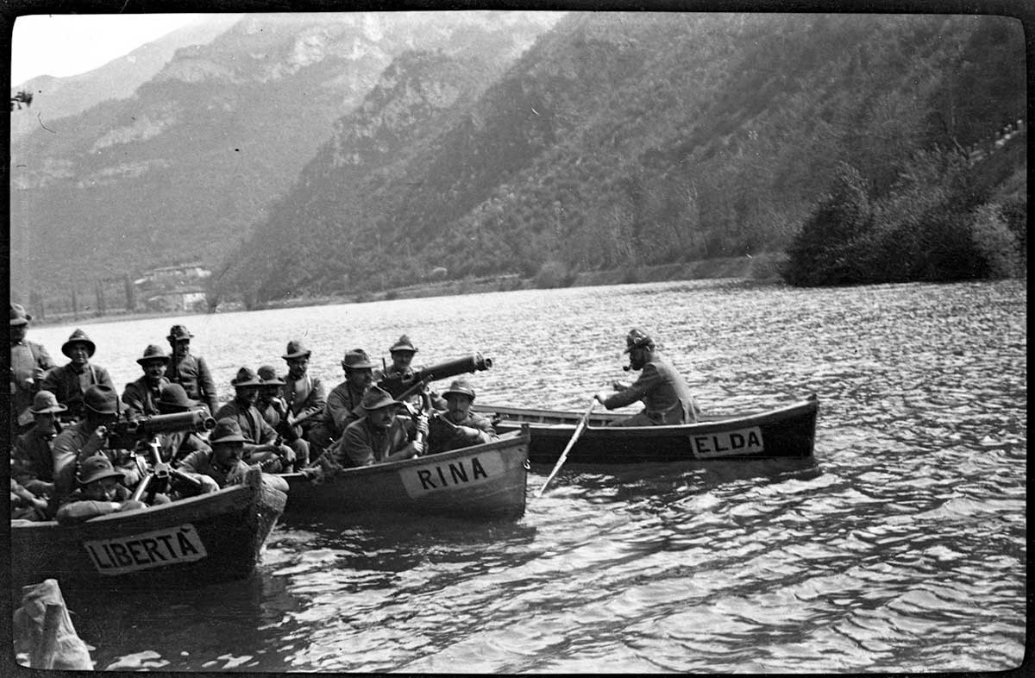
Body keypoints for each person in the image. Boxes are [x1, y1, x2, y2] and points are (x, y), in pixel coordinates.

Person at [50, 385, 142, 509]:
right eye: (111, 414)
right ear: (94, 416)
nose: (117, 417)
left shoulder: (113, 432)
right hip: (82, 502)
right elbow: (62, 483)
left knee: (160, 500)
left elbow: (133, 468)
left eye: (118, 413)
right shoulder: (68, 439)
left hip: (114, 494)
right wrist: (88, 449)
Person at [594, 328, 700, 426]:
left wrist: (605, 401)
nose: (631, 358)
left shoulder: (654, 368)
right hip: (683, 418)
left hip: (669, 421)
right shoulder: (661, 362)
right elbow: (650, 395)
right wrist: (627, 387)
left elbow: (630, 396)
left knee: (612, 428)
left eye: (634, 353)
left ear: (646, 350)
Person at [214, 367, 300, 472]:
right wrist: (266, 447)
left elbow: (270, 434)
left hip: (251, 456)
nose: (253, 392)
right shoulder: (228, 413)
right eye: (248, 388)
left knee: (288, 453)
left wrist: (279, 445)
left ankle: (289, 484)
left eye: (256, 388)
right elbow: (232, 447)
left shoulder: (253, 411)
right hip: (234, 460)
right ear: (238, 390)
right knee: (272, 458)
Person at [338, 386, 427, 467]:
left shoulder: (397, 424)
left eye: (391, 410)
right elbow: (370, 468)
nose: (388, 415)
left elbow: (411, 452)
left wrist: (423, 436)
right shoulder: (355, 432)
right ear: (369, 413)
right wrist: (405, 453)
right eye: (382, 411)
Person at [40, 328, 115, 422]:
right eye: (75, 349)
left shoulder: (99, 373)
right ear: (69, 352)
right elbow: (46, 399)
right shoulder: (57, 375)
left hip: (95, 420)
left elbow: (112, 398)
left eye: (83, 349)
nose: (79, 353)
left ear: (88, 352)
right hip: (66, 420)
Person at [54, 455, 147, 525]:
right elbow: (65, 513)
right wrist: (117, 507)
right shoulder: (77, 499)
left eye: (109, 487)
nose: (105, 494)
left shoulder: (123, 493)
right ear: (84, 489)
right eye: (96, 488)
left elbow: (156, 501)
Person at [10, 303, 56, 434]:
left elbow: (54, 370)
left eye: (22, 326)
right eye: (13, 327)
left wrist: (42, 376)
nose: (18, 330)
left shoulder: (36, 348)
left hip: (31, 411)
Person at [177, 418, 260, 492]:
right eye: (229, 446)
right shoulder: (200, 458)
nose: (235, 453)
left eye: (238, 447)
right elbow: (178, 473)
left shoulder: (244, 473)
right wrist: (200, 478)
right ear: (215, 447)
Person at [11, 390, 66, 499]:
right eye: (47, 416)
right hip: (47, 495)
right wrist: (48, 487)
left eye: (57, 415)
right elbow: (24, 479)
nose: (54, 420)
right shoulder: (26, 442)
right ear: (36, 418)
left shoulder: (69, 434)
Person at [279, 340, 327, 457]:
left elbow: (320, 406)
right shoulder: (280, 384)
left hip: (310, 426)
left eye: (303, 362)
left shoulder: (315, 383)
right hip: (288, 429)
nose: (300, 367)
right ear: (288, 363)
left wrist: (298, 419)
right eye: (296, 363)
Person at [426, 378, 499, 455]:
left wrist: (475, 434)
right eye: (453, 400)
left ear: (470, 404)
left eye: (462, 401)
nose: (457, 406)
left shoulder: (480, 423)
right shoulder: (437, 423)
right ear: (448, 404)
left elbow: (497, 443)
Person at [320, 348, 376, 443]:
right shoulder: (336, 396)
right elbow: (345, 426)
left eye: (369, 370)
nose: (368, 376)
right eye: (361, 372)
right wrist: (366, 403)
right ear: (348, 376)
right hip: (335, 440)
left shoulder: (373, 390)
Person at [165, 325, 219, 416]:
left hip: (197, 408)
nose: (184, 346)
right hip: (174, 412)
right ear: (171, 344)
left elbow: (210, 392)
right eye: (180, 343)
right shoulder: (165, 364)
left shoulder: (197, 362)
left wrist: (216, 416)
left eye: (186, 342)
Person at [153, 383, 212, 464]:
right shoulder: (157, 429)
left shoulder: (183, 432)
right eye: (184, 410)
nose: (187, 412)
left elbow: (205, 450)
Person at [121, 344, 171, 420]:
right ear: (144, 368)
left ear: (165, 367)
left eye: (159, 365)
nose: (156, 369)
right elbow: (135, 420)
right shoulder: (132, 392)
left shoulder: (166, 384)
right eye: (151, 365)